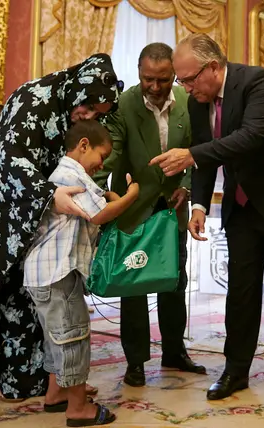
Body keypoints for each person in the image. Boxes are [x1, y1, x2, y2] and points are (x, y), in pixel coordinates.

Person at [151, 33, 264, 405]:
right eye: (181, 80)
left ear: (213, 67)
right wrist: (198, 206)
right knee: (240, 291)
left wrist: (190, 155)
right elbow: (205, 154)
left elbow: (250, 137)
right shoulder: (198, 99)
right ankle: (235, 370)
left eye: (189, 79)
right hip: (243, 205)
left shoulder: (259, 82)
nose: (185, 87)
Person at [0, 53, 119, 400]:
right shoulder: (35, 97)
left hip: (36, 207)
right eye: (89, 106)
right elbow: (9, 157)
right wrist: (49, 195)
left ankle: (52, 381)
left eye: (99, 113)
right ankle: (16, 379)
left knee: (42, 293)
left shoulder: (72, 111)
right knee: (9, 290)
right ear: (79, 88)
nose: (90, 116)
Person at [93, 43, 206, 387]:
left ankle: (174, 350)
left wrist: (186, 186)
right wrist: (95, 195)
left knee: (174, 280)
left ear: (173, 74)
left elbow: (199, 151)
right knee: (134, 285)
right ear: (139, 72)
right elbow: (109, 155)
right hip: (134, 206)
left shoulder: (188, 102)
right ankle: (136, 361)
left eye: (162, 79)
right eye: (148, 79)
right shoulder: (124, 105)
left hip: (174, 207)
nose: (155, 87)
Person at [24, 119, 138, 426]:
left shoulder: (69, 173)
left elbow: (97, 200)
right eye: (101, 156)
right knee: (73, 336)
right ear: (83, 145)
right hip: (56, 272)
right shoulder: (70, 173)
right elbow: (99, 213)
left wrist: (111, 198)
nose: (101, 164)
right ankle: (78, 408)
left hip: (47, 272)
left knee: (56, 337)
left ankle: (56, 393)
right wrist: (130, 197)